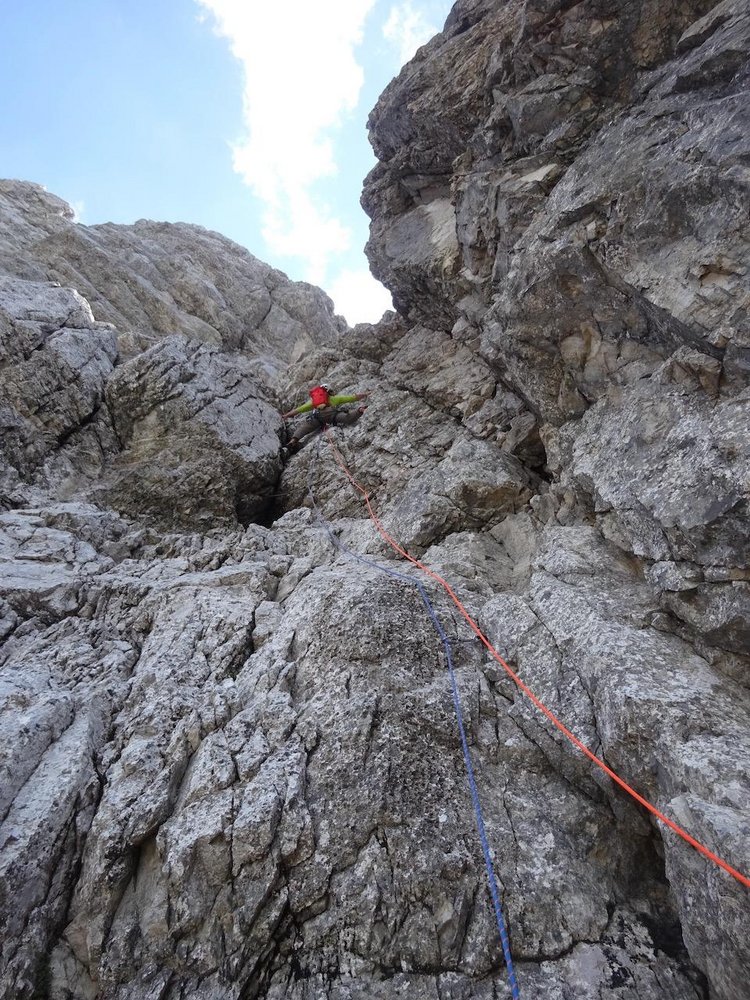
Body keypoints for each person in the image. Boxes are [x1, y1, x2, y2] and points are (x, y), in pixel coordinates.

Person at [282, 382, 369, 455]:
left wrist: (286, 415)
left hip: (317, 417)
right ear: (328, 391)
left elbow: (299, 410)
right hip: (331, 415)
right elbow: (352, 398)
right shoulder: (334, 398)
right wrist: (365, 394)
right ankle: (359, 410)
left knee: (304, 428)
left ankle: (292, 441)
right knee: (347, 418)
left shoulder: (313, 402)